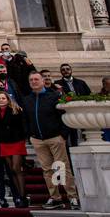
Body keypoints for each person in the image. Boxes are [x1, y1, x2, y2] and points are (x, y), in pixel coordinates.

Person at [19, 71, 80, 209]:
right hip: (38, 140)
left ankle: (72, 196)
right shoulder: (27, 99)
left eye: (36, 79)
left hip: (55, 137)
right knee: (47, 169)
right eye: (31, 80)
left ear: (42, 81)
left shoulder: (53, 96)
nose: (34, 82)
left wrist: (63, 135)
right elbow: (26, 119)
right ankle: (55, 197)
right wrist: (30, 135)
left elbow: (63, 116)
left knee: (61, 167)